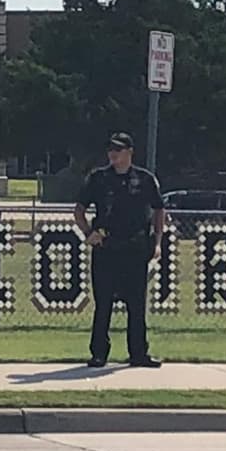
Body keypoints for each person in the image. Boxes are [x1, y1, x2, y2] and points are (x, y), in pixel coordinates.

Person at [73, 132, 166, 368]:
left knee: (136, 305)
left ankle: (138, 354)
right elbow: (79, 209)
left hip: (135, 250)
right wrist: (88, 234)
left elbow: (158, 210)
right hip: (106, 249)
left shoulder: (145, 179)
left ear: (129, 152)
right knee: (103, 303)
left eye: (118, 150)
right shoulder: (98, 178)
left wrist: (156, 243)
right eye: (110, 150)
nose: (113, 154)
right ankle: (99, 354)